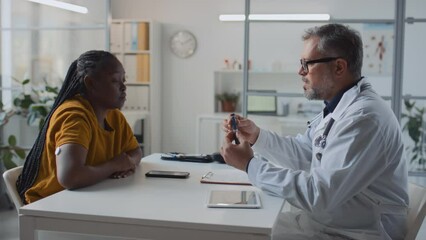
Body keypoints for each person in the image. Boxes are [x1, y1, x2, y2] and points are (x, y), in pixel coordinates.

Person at [221, 24, 408, 240]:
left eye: (307, 64)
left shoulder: (364, 119)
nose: (300, 71)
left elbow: (318, 194)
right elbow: (306, 153)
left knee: (238, 233)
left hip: (358, 233)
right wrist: (256, 136)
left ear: (339, 67)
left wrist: (250, 165)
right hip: (331, 223)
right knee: (240, 225)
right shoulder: (340, 107)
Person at [17, 50, 143, 204]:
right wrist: (114, 165)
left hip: (89, 197)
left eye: (124, 80)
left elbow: (135, 151)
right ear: (90, 83)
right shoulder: (74, 116)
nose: (123, 87)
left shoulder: (113, 115)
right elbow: (70, 177)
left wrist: (128, 162)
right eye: (115, 81)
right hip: (52, 204)